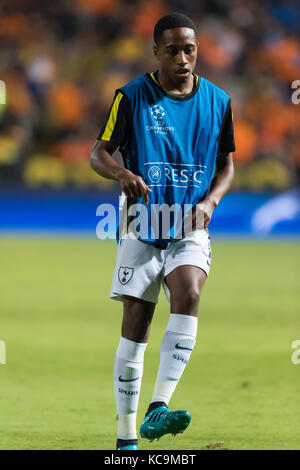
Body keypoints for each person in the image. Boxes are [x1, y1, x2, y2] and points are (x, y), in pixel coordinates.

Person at [91, 12, 235, 451]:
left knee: (189, 292)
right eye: (172, 49)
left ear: (197, 50)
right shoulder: (132, 96)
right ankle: (126, 438)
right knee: (137, 324)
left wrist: (210, 202)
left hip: (191, 220)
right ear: (156, 52)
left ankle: (159, 406)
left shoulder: (218, 100)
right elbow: (98, 152)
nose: (182, 57)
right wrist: (120, 173)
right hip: (143, 222)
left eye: (189, 48)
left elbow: (228, 164)